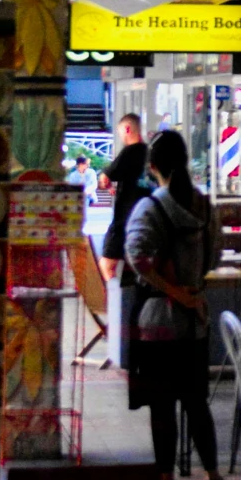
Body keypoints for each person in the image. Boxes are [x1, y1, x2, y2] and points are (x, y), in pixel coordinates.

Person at [121, 128, 232, 480]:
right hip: (195, 323)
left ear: (153, 167)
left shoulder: (149, 208)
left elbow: (137, 259)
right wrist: (191, 290)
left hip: (156, 323)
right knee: (197, 401)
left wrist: (171, 291)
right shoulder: (204, 207)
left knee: (163, 404)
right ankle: (213, 476)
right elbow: (215, 255)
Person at [98, 114, 145, 368]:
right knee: (132, 267)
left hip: (123, 222)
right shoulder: (148, 154)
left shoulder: (130, 152)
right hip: (141, 222)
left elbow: (106, 178)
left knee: (107, 265)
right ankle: (125, 304)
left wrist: (105, 181)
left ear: (127, 129)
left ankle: (117, 304)